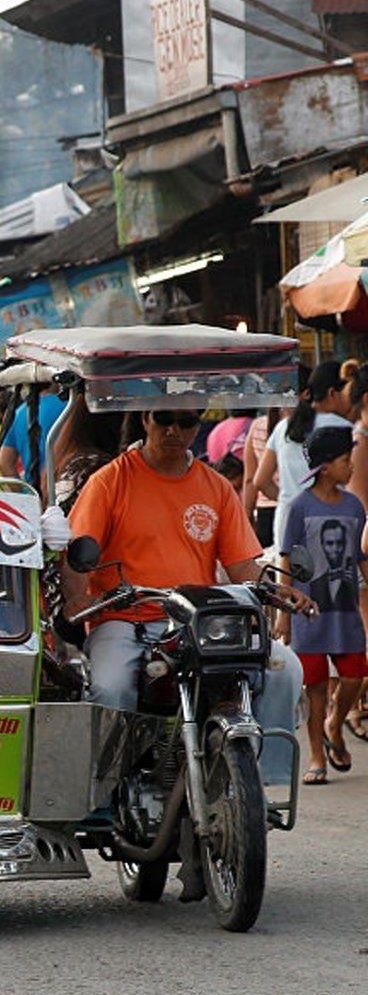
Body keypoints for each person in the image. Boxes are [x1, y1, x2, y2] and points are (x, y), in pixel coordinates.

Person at [60, 409, 309, 899]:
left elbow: (241, 565)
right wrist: (76, 601)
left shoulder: (214, 487)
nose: (175, 430)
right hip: (126, 616)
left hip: (195, 618)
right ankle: (106, 790)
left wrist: (278, 590)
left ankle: (254, 786)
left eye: (187, 421)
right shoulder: (111, 481)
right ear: (145, 421)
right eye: (165, 420)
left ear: (199, 427)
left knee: (283, 668)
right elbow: (75, 555)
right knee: (111, 685)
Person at [278, 426, 366, 784]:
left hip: (346, 613)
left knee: (354, 676)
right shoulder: (299, 507)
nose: (352, 467)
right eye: (346, 460)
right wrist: (284, 616)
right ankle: (317, 757)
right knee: (314, 689)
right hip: (308, 616)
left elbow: (359, 556)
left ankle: (335, 723)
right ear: (326, 467)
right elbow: (286, 561)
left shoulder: (354, 506)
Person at [246, 361, 352, 556]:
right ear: (333, 393)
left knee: (289, 575)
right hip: (332, 525)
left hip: (287, 523)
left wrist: (290, 499)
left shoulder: (283, 427)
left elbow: (260, 481)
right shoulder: (344, 428)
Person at [0, 389, 68, 487]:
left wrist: (26, 493)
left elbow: (3, 464)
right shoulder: (70, 406)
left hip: (36, 491)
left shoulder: (19, 413)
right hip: (66, 490)